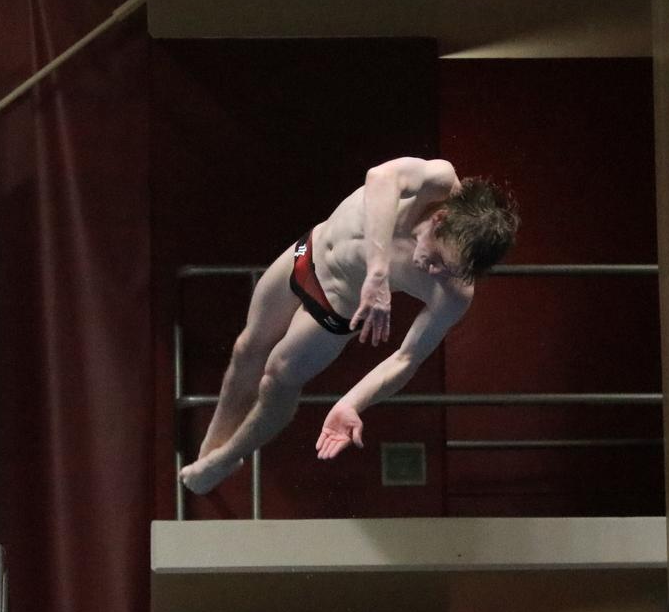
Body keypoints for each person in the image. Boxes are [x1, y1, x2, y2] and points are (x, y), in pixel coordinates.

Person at [178, 158, 517, 494]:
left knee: (276, 379)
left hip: (334, 310)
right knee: (246, 348)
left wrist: (353, 402)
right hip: (308, 253)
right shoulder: (437, 181)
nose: (435, 272)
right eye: (440, 260)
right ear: (439, 219)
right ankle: (213, 454)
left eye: (451, 270)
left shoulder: (454, 294)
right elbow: (380, 177)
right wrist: (378, 272)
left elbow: (407, 358)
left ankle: (228, 455)